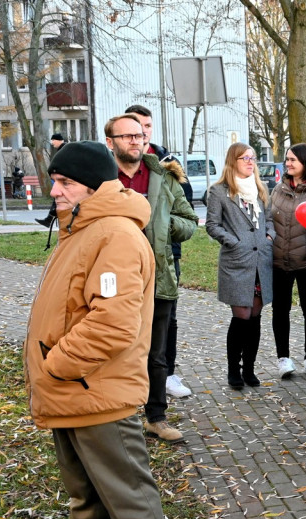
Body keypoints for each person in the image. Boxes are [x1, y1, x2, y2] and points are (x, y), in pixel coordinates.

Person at [22, 141, 168, 519]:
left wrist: (57, 364)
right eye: (55, 181)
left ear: (92, 185)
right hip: (71, 391)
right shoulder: (80, 229)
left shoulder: (116, 236)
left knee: (129, 496)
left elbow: (113, 323)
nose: (55, 190)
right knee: (85, 494)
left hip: (96, 391)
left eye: (65, 182)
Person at [107, 114, 197, 443]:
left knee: (156, 354)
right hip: (113, 280)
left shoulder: (164, 176)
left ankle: (156, 418)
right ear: (110, 142)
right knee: (116, 350)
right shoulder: (101, 178)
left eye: (139, 135)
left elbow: (189, 221)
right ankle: (116, 417)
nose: (136, 140)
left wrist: (162, 224)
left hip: (158, 278)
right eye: (127, 136)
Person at [125, 104, 196, 400]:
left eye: (148, 126)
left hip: (166, 255)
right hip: (125, 261)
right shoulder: (112, 168)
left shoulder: (168, 164)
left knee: (167, 317)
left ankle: (167, 374)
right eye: (137, 127)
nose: (142, 133)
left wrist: (165, 227)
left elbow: (185, 209)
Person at [205, 143, 275, 389]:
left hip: (261, 261)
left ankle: (250, 369)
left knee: (255, 316)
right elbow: (212, 225)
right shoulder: (219, 191)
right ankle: (233, 370)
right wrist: (234, 242)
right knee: (241, 316)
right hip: (237, 262)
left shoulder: (260, 188)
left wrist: (269, 237)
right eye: (244, 158)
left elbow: (269, 220)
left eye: (252, 158)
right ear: (232, 161)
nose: (250, 162)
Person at [270, 143, 306, 381]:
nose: (288, 163)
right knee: (280, 309)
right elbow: (270, 217)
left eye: (293, 159)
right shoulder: (279, 187)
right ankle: (283, 358)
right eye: (287, 159)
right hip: (280, 260)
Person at [35, 133, 67, 228]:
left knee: (58, 198)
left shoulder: (64, 149)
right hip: (64, 178)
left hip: (65, 179)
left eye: (53, 140)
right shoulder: (63, 149)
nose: (52, 143)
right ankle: (49, 219)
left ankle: (50, 219)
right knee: (57, 199)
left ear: (58, 140)